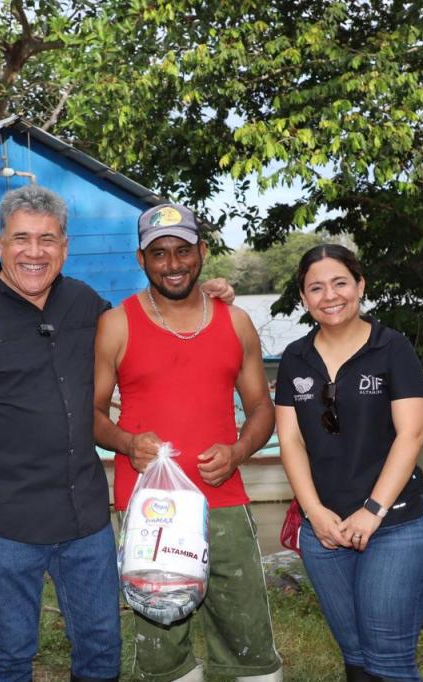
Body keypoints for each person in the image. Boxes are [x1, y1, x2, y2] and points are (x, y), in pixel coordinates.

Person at [0, 186, 234, 682]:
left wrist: (197, 299)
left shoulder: (86, 305)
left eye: (47, 240)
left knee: (102, 647)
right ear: (0, 244)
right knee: (11, 653)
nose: (34, 252)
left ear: (64, 246)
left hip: (85, 521)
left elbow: (148, 328)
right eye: (21, 239)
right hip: (3, 523)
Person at [94, 203, 283, 682]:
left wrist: (239, 451)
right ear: (142, 259)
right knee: (161, 645)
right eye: (159, 253)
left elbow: (262, 409)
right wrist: (127, 441)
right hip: (147, 508)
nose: (172, 264)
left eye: (183, 250)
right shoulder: (117, 323)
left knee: (247, 638)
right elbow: (90, 416)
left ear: (201, 251)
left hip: (223, 499)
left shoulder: (234, 321)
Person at [274, 245, 423, 682]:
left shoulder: (392, 347)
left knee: (388, 660)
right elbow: (289, 439)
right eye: (316, 287)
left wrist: (372, 511)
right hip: (323, 528)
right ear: (304, 298)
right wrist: (314, 513)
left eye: (340, 282)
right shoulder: (295, 357)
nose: (330, 295)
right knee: (356, 658)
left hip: (394, 524)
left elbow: (412, 434)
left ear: (360, 285)